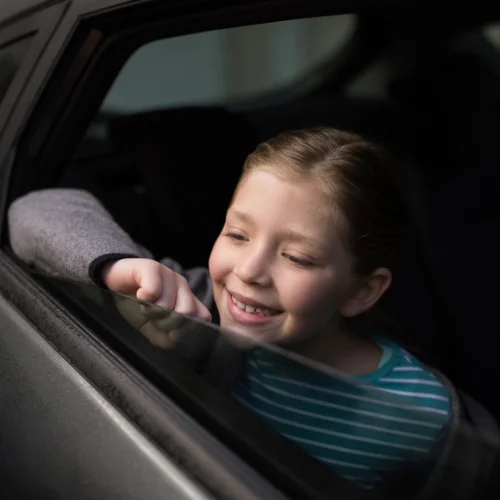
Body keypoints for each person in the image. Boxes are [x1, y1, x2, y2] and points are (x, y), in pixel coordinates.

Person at [8, 127, 455, 489]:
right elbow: (36, 210)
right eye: (238, 235)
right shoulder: (196, 305)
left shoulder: (422, 413)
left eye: (297, 257)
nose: (249, 271)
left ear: (362, 291)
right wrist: (119, 265)